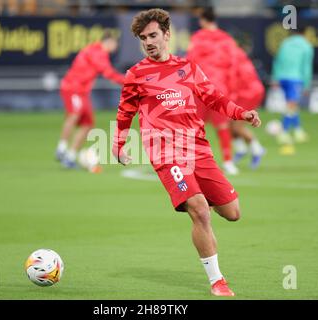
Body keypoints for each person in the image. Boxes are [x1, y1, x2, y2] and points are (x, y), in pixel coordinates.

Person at [112, 8, 261, 297]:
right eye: (143, 38)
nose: (149, 42)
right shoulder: (136, 75)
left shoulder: (188, 67)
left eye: (153, 35)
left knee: (232, 213)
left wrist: (242, 114)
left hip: (198, 149)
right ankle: (217, 281)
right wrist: (118, 144)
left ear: (168, 35)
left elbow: (214, 97)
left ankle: (201, 197)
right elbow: (125, 112)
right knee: (200, 211)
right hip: (165, 153)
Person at [56, 31, 125, 169]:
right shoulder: (96, 52)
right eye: (115, 44)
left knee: (88, 125)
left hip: (82, 92)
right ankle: (61, 148)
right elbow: (108, 73)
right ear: (110, 42)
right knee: (74, 114)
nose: (116, 47)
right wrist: (128, 81)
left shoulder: (96, 51)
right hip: (72, 88)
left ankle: (70, 156)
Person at [186, 8, 239, 175]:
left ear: (202, 20)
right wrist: (233, 90)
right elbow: (233, 66)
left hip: (201, 87)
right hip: (220, 88)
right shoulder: (227, 39)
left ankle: (190, 161)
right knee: (222, 125)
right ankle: (228, 161)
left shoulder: (198, 38)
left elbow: (190, 62)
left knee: (194, 126)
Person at [272, 25, 314, 155]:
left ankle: (298, 130)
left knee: (291, 104)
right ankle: (283, 132)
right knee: (292, 104)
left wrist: (275, 77)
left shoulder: (285, 43)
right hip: (295, 78)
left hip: (283, 77)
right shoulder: (306, 45)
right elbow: (306, 67)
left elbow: (277, 61)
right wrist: (307, 84)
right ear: (304, 33)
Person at [231, 44, 266, 169]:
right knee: (229, 122)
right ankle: (241, 149)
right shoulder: (238, 54)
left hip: (248, 93)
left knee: (237, 125)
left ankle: (257, 150)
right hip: (248, 91)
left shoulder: (231, 56)